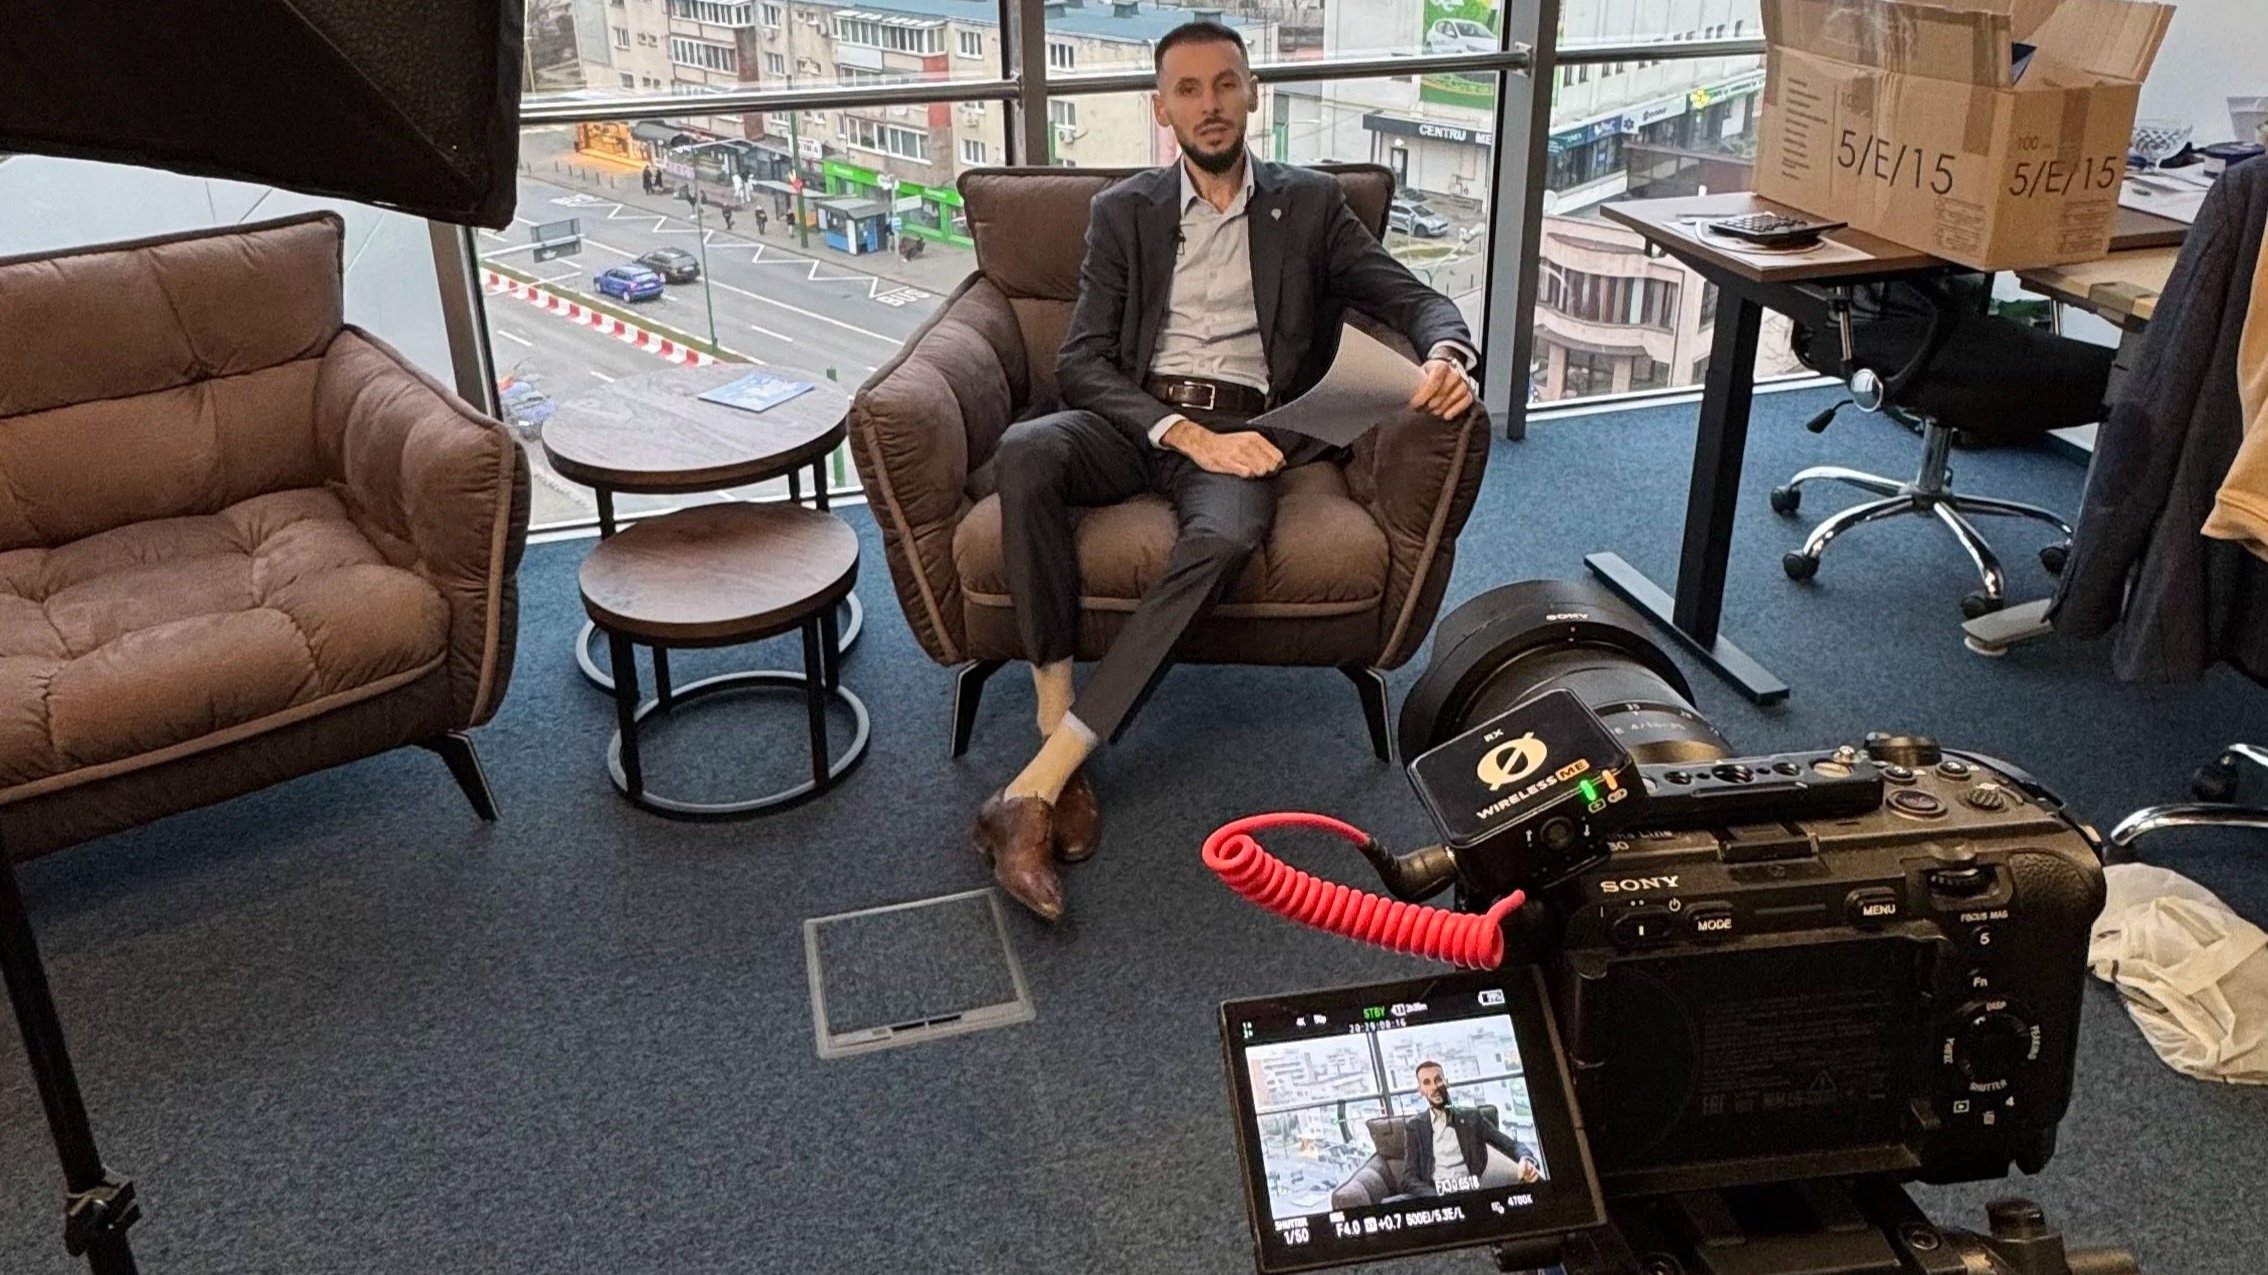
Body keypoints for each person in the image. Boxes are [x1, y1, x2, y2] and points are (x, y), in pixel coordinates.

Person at [968, 19, 1478, 922]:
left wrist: (1449, 352)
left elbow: (1418, 298)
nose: (1210, 105)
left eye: (1225, 85)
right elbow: (1084, 360)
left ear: (1251, 95)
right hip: (1141, 416)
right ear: (1162, 109)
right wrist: (1179, 433)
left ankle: (1035, 787)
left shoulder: (1314, 206)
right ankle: (1055, 737)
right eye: (1189, 90)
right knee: (1027, 451)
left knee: (1231, 532)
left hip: (1249, 429)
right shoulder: (1123, 211)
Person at [1396, 1062, 1541, 1196]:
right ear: (1420, 1090)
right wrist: (1435, 1197)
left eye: (1438, 1080)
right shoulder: (1415, 1126)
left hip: (1472, 1192)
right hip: (1437, 1194)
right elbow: (1409, 1178)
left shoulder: (1471, 1117)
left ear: (1446, 1083)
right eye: (1427, 1083)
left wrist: (1526, 1160)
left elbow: (1513, 1145)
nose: (1434, 1087)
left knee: (1535, 1182)